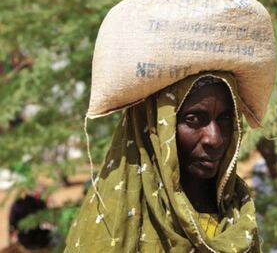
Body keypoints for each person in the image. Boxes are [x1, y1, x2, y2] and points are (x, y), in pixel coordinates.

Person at [65, 72, 261, 252]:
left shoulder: (237, 210)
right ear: (154, 128)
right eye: (193, 119)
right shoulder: (113, 220)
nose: (215, 138)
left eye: (225, 118)